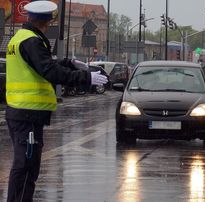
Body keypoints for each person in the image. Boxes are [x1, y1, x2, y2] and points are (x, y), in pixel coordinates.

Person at [5, 1, 108, 201]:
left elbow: (41, 65)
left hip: (22, 113)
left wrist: (68, 63)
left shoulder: (21, 38)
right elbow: (49, 71)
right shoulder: (32, 41)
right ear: (48, 21)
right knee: (26, 167)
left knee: (25, 165)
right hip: (28, 114)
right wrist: (86, 78)